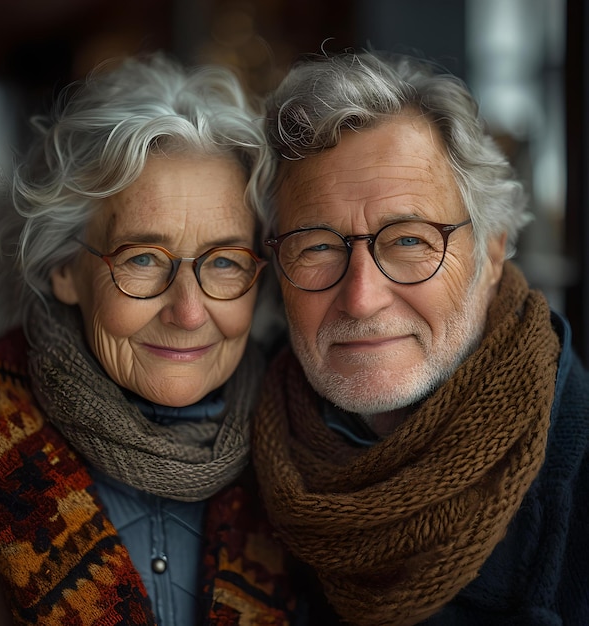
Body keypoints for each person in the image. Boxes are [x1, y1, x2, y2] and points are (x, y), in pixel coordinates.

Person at [252, 50, 589, 626]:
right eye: (317, 245)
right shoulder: (233, 466)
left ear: (490, 252)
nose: (361, 297)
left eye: (409, 241)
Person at [0, 53, 301, 625]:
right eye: (143, 258)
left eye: (223, 262)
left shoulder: (312, 460)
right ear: (65, 268)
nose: (189, 311)